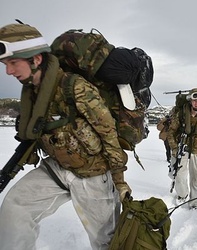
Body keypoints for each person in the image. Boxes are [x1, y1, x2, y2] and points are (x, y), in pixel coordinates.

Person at [0, 23, 131, 249]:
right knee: (14, 208)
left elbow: (109, 135)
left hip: (93, 174)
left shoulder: (75, 87)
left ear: (36, 59)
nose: (8, 71)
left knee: (106, 241)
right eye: (5, 64)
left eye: (13, 62)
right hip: (58, 168)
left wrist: (119, 182)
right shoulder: (31, 93)